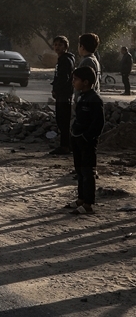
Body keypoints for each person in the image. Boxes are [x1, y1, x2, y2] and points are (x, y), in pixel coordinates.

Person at [67, 66, 103, 215]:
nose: (73, 82)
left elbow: (98, 123)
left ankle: (88, 203)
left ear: (86, 82)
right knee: (80, 171)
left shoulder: (94, 100)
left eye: (76, 79)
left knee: (88, 173)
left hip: (87, 142)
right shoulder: (82, 96)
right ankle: (81, 198)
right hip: (77, 139)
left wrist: (86, 137)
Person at [48, 35, 76, 156]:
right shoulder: (62, 59)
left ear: (66, 47)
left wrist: (57, 90)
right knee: (62, 121)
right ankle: (67, 145)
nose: (57, 47)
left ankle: (65, 146)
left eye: (60, 45)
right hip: (63, 94)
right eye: (55, 45)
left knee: (63, 121)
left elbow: (63, 79)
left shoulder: (65, 60)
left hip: (64, 95)